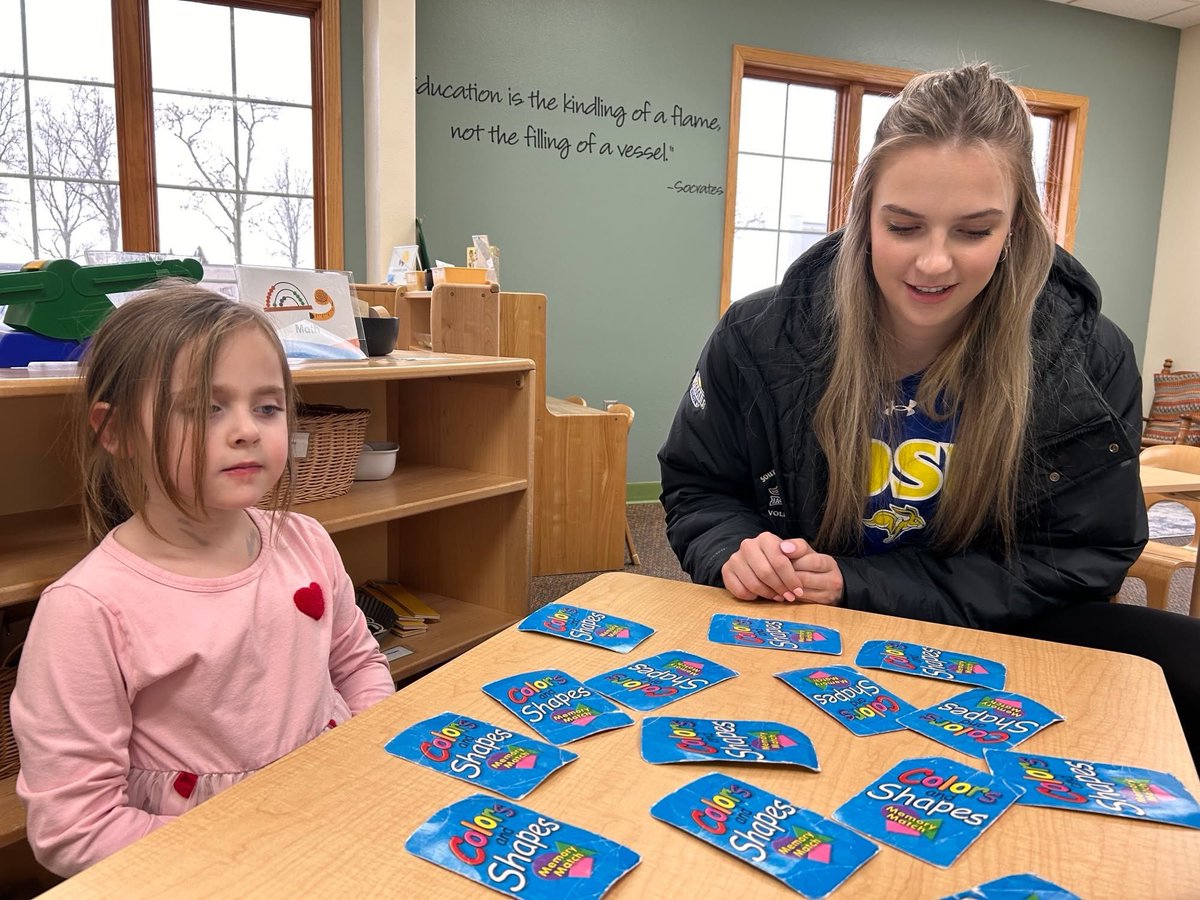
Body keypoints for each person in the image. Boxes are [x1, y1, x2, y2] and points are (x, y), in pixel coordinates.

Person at [660, 63, 1199, 764]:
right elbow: (699, 487)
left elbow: (1081, 558)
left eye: (974, 231)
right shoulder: (760, 334)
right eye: (904, 226)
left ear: (1017, 227)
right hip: (803, 630)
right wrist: (737, 548)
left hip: (989, 633)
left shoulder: (1087, 357)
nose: (934, 262)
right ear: (863, 215)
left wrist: (861, 583)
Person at [11, 283, 395, 876]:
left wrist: (367, 754)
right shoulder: (87, 610)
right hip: (204, 865)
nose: (246, 429)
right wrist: (249, 851)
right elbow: (74, 827)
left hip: (332, 813)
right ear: (113, 431)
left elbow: (358, 664)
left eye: (266, 406)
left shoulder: (307, 542)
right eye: (203, 408)